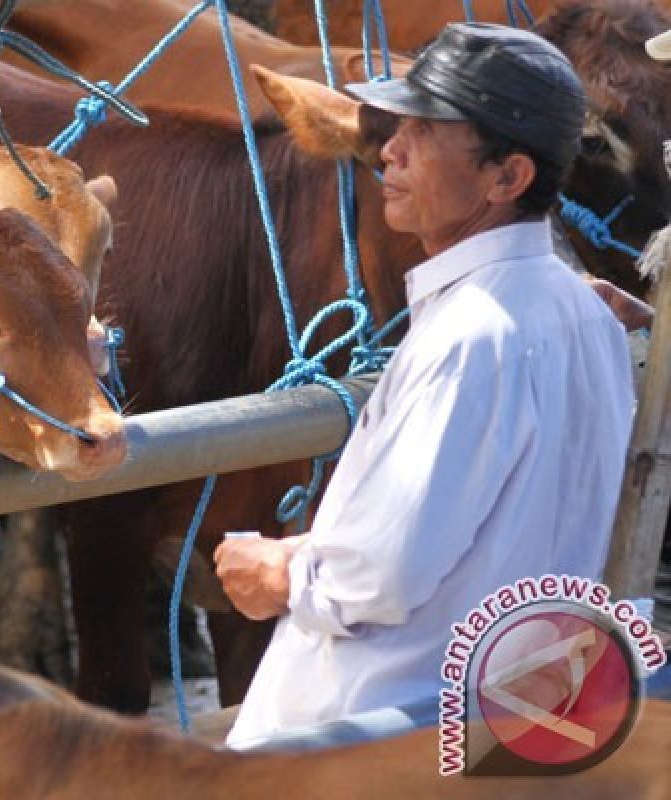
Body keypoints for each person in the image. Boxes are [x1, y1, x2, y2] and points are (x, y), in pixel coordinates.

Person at [214, 23, 636, 748]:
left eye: (427, 132)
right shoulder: (584, 315)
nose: (390, 151)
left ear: (508, 178)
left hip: (378, 735)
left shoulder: (472, 334)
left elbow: (387, 572)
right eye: (399, 125)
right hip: (494, 727)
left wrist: (280, 572)